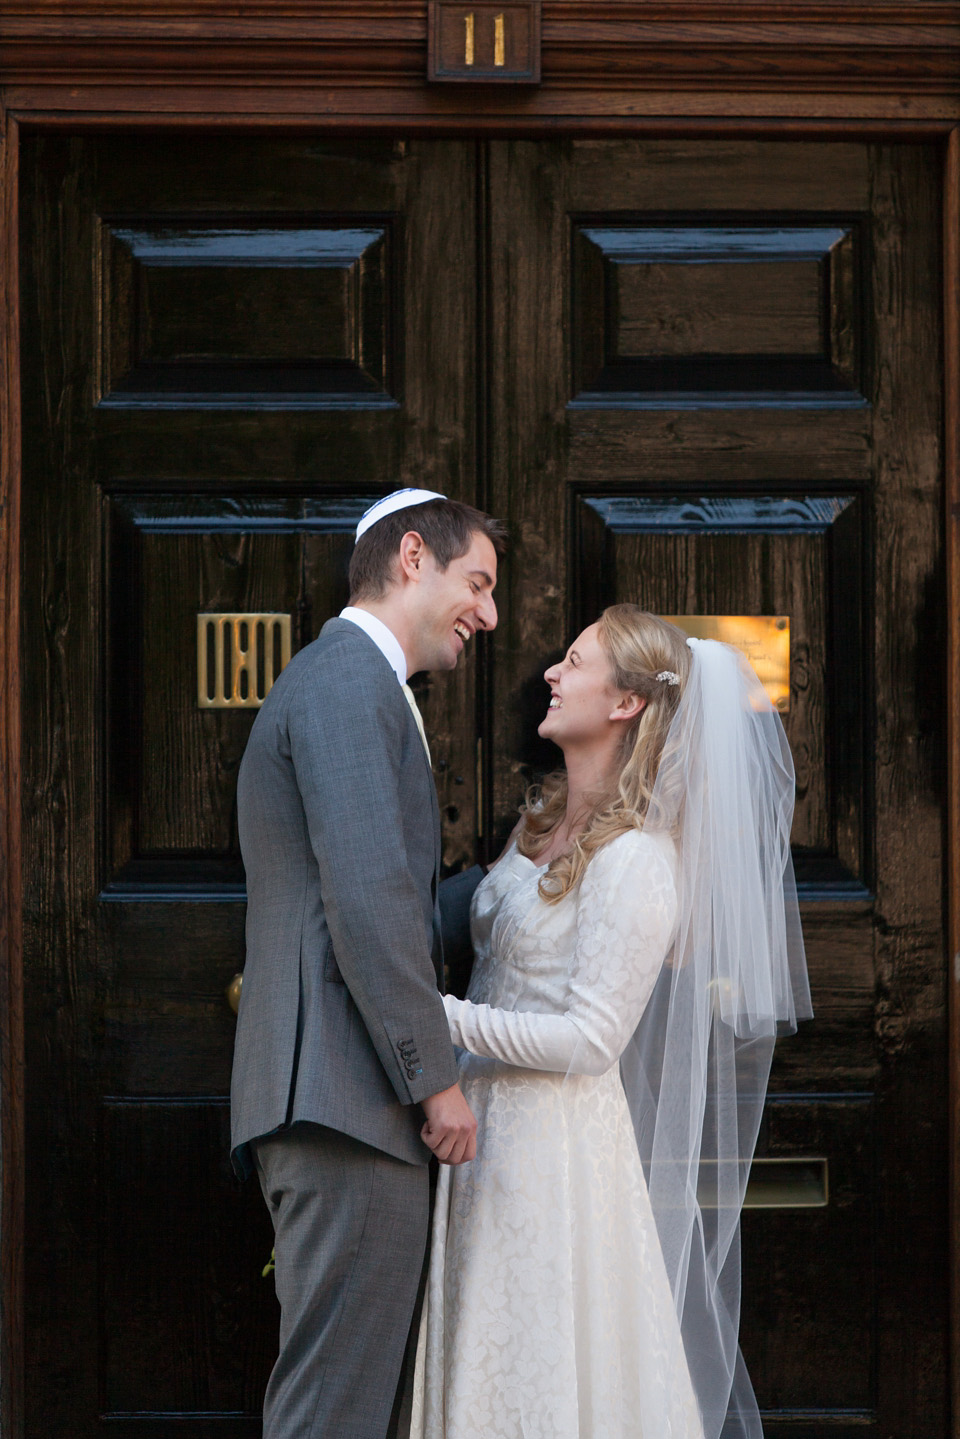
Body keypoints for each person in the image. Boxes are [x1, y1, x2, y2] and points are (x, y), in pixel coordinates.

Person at [410, 605, 812, 1439]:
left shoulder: (637, 860)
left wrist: (435, 1015)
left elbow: (592, 1041)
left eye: (574, 660)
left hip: (551, 1153)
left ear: (626, 702)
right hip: (481, 1137)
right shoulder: (540, 823)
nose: (551, 674)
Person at [230, 488, 505, 1439]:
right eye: (478, 581)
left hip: (339, 1101)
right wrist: (436, 1084)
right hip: (348, 1102)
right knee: (332, 1411)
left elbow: (375, 894)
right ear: (413, 555)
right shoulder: (351, 678)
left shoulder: (348, 680)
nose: (491, 613)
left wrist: (517, 884)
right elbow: (367, 904)